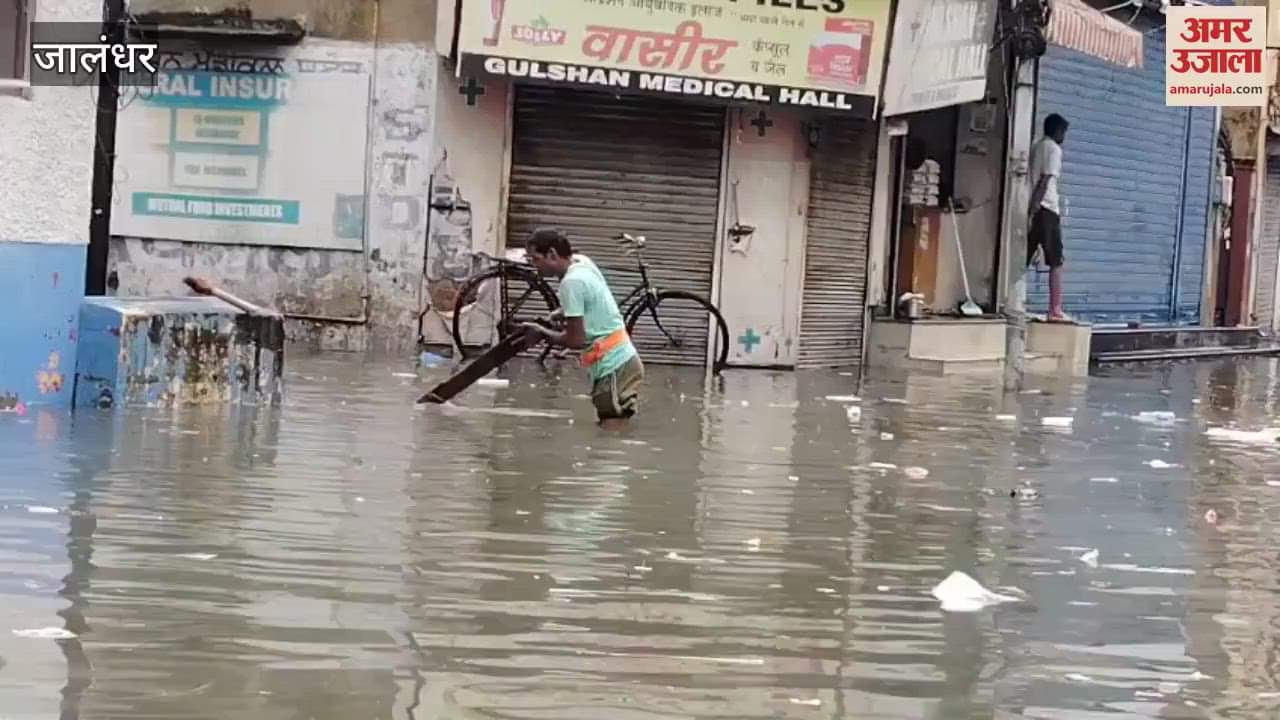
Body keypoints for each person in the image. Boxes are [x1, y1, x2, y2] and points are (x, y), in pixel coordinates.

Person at [521, 228, 644, 429]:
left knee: (610, 439)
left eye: (536, 259)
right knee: (611, 434)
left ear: (552, 254)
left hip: (613, 367)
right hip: (621, 362)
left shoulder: (571, 282)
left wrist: (543, 333)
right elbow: (591, 296)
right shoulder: (581, 262)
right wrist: (564, 311)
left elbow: (575, 341)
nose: (535, 267)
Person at [1028, 113, 1069, 322]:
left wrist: (1030, 211)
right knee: (1056, 261)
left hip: (1035, 209)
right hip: (1047, 208)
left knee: (1023, 257)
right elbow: (1045, 180)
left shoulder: (1036, 146)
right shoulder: (1053, 149)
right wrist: (1036, 205)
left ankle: (1009, 301)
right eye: (1064, 132)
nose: (1064, 137)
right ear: (1057, 131)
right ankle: (1055, 309)